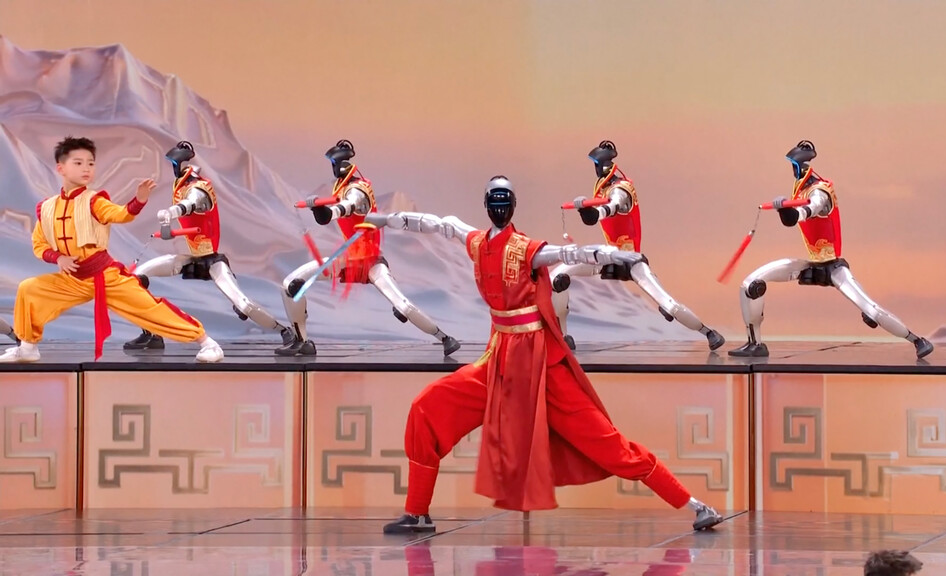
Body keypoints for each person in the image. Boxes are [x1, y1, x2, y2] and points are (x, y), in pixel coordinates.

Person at [365, 175, 723, 535]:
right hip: (499, 362)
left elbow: (570, 254)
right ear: (486, 205)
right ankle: (417, 512)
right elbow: (436, 224)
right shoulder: (476, 242)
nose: (500, 206)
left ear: (513, 206)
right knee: (427, 408)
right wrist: (383, 220)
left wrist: (613, 255)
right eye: (494, 200)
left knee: (610, 446)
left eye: (505, 200)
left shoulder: (526, 249)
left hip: (540, 364)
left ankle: (696, 505)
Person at [0, 137, 223, 363]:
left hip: (105, 276)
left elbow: (121, 214)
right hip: (72, 279)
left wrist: (138, 201)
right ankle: (27, 347)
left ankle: (207, 342)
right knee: (29, 289)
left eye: (90, 163)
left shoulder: (94, 201)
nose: (86, 168)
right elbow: (39, 244)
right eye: (78, 163)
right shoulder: (48, 208)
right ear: (61, 168)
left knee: (150, 308)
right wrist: (58, 258)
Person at [729, 140, 933, 359]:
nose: (793, 169)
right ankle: (755, 344)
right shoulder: (802, 188)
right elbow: (792, 218)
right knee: (751, 284)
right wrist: (783, 209)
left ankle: (917, 340)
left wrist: (784, 210)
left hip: (833, 267)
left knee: (871, 310)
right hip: (812, 262)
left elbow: (803, 213)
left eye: (794, 165)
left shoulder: (820, 192)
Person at [277, 139, 459, 357]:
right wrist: (319, 208)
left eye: (334, 164)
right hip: (348, 260)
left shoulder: (357, 190)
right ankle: (302, 341)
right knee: (291, 284)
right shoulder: (344, 187)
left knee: (402, 306)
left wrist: (324, 210)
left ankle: (445, 338)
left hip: (371, 262)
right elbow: (331, 212)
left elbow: (345, 207)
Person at [552, 140, 724, 351]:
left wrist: (591, 211)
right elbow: (594, 216)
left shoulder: (622, 189)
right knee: (559, 276)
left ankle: (709, 333)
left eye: (596, 164)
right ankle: (562, 336)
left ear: (603, 165)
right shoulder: (604, 187)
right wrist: (585, 209)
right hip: (608, 255)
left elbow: (610, 208)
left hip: (630, 258)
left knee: (668, 304)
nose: (595, 168)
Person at [123, 141, 294, 351]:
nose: (173, 167)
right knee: (136, 279)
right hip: (190, 257)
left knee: (244, 305)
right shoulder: (182, 185)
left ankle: (286, 332)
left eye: (174, 163)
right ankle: (151, 333)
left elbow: (192, 204)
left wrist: (171, 212)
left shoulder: (199, 187)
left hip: (211, 260)